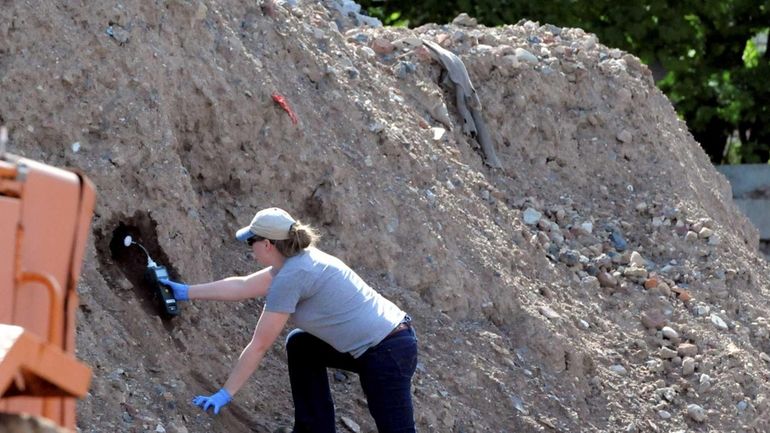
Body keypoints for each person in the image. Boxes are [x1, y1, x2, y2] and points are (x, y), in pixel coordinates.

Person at [160, 207, 418, 433]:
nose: (250, 249)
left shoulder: (292, 276)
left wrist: (226, 393)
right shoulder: (297, 262)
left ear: (268, 244)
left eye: (251, 242)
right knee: (301, 345)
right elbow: (242, 286)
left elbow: (259, 344)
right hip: (376, 344)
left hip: (387, 352)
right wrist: (186, 291)